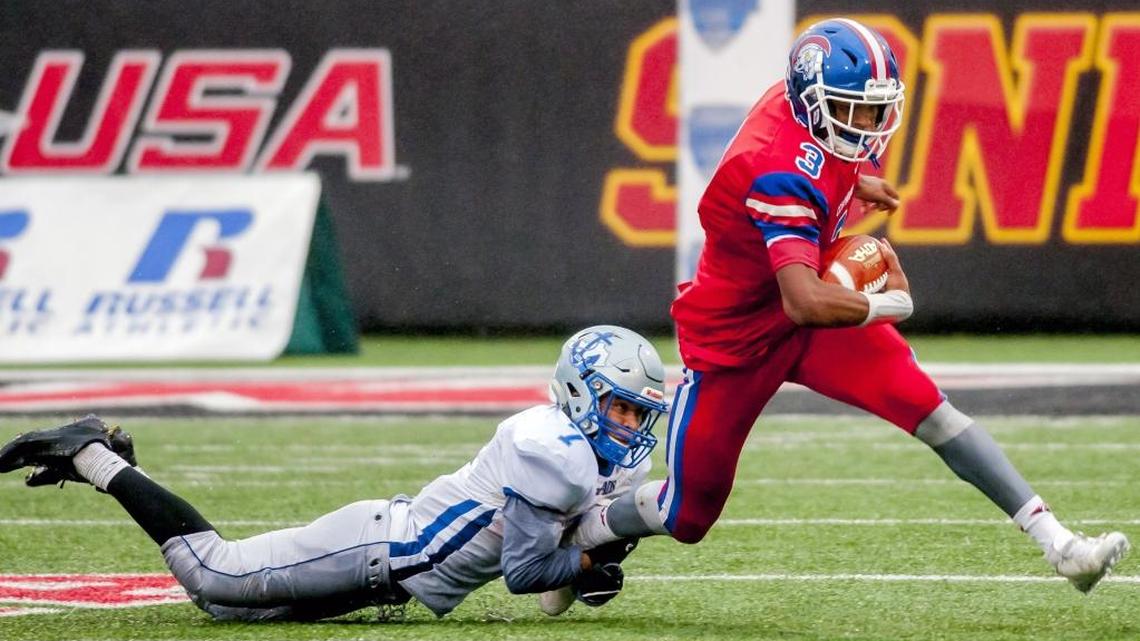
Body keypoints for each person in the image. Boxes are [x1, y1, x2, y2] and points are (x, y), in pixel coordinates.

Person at [569, 18, 1129, 593]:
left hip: (805, 311)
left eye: (873, 110)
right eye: (852, 111)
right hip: (739, 335)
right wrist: (891, 306)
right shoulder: (778, 171)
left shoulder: (804, 118)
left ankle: (1059, 545)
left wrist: (855, 177)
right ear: (812, 102)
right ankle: (589, 529)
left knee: (933, 413)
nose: (866, 125)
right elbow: (805, 301)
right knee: (687, 515)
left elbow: (819, 160)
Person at [0, 325, 668, 621]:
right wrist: (591, 560)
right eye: (620, 407)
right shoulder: (551, 445)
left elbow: (569, 584)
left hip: (388, 576)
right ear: (579, 392)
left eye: (640, 414)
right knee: (213, 571)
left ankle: (120, 464)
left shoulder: (590, 460)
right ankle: (93, 452)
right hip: (378, 546)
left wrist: (595, 558)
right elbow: (527, 574)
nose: (632, 427)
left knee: (221, 608)